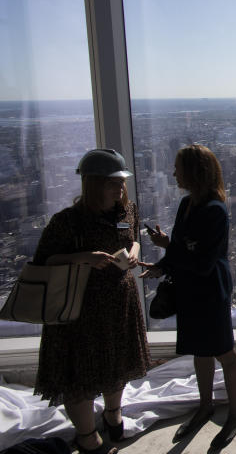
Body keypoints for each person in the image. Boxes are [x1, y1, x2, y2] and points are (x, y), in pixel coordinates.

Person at [33, 148, 151, 454]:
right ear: (93, 184)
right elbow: (43, 261)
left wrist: (135, 250)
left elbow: (132, 237)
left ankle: (113, 413)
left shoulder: (127, 212)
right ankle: (87, 436)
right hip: (79, 310)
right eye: (113, 183)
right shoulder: (68, 222)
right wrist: (84, 258)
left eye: (121, 182)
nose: (120, 188)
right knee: (80, 375)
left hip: (118, 303)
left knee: (118, 364)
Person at [140, 144, 236, 449]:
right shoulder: (187, 205)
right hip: (191, 286)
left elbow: (202, 260)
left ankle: (235, 415)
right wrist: (162, 265)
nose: (173, 173)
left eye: (178, 167)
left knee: (224, 350)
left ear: (193, 172)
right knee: (201, 350)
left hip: (210, 288)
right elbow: (185, 249)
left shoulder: (215, 210)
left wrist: (167, 248)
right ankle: (205, 406)